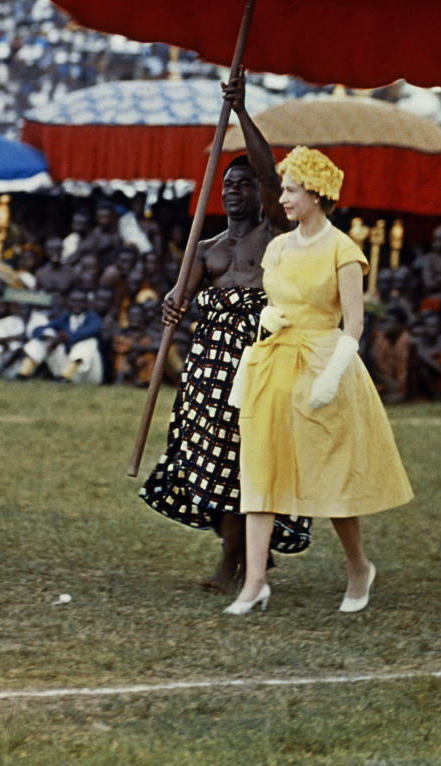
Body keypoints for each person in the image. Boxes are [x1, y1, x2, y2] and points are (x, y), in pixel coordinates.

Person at [140, 73, 312, 593]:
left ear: (263, 195)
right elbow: (179, 299)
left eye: (244, 185)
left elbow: (266, 169)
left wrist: (238, 112)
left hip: (258, 363)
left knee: (245, 462)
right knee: (207, 460)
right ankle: (244, 549)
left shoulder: (275, 236)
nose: (236, 192)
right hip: (206, 369)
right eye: (227, 186)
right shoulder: (206, 247)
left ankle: (232, 564)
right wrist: (172, 307)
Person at [224, 145, 413, 615]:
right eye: (283, 190)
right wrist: (267, 316)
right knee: (261, 466)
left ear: (316, 193)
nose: (282, 198)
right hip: (275, 361)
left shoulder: (342, 250)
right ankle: (253, 583)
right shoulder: (277, 247)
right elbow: (273, 298)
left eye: (290, 190)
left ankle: (357, 568)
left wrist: (331, 378)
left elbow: (354, 324)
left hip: (324, 363)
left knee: (330, 473)